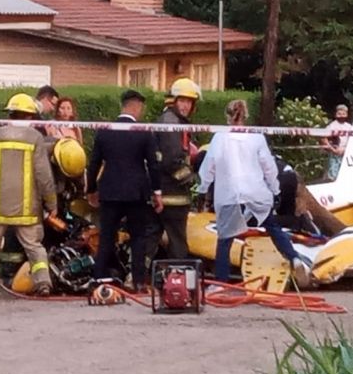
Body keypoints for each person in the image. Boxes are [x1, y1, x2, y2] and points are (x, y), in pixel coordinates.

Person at [198, 100, 312, 287]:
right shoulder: (256, 137)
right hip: (256, 192)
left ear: (227, 117)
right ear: (246, 116)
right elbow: (268, 166)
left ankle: (220, 283)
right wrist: (275, 190)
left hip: (230, 194)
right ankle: (294, 258)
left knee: (225, 239)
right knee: (273, 228)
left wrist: (203, 189)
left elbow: (208, 166)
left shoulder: (219, 137)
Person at [0, 94, 59, 301]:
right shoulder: (35, 138)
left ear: (9, 114)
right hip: (27, 209)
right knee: (35, 247)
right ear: (30, 117)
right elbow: (44, 175)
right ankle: (43, 283)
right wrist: (52, 202)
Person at [86, 90, 163, 291]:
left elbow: (94, 163)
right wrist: (157, 192)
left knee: (107, 236)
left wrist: (91, 189)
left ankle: (99, 279)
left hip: (110, 190)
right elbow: (153, 165)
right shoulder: (144, 131)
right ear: (136, 106)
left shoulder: (105, 130)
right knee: (138, 236)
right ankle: (137, 281)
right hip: (136, 192)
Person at [149, 78, 202, 261]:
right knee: (178, 241)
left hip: (162, 192)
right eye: (182, 101)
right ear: (173, 100)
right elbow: (172, 161)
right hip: (173, 196)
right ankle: (177, 277)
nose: (186, 106)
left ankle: (138, 277)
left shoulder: (172, 120)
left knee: (151, 239)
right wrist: (191, 179)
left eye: (189, 102)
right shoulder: (172, 123)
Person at [321, 104, 351, 180]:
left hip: (347, 153)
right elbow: (323, 138)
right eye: (339, 114)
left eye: (343, 114)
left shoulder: (349, 126)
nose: (341, 116)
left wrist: (346, 149)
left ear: (346, 114)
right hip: (335, 154)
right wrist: (333, 150)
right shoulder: (332, 126)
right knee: (334, 176)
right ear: (336, 114)